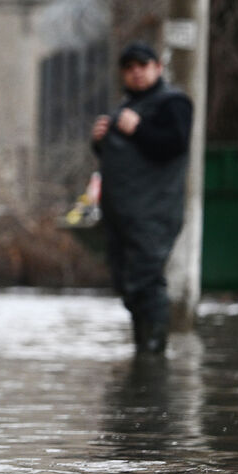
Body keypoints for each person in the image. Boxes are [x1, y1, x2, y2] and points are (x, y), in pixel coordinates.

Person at [91, 41, 192, 355]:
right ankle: (142, 350)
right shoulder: (124, 109)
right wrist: (100, 140)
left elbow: (174, 144)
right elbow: (119, 159)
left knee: (146, 281)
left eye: (142, 66)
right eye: (129, 68)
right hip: (120, 215)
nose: (136, 73)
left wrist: (139, 129)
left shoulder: (172, 103)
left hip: (154, 212)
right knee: (126, 283)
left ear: (158, 67)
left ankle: (153, 354)